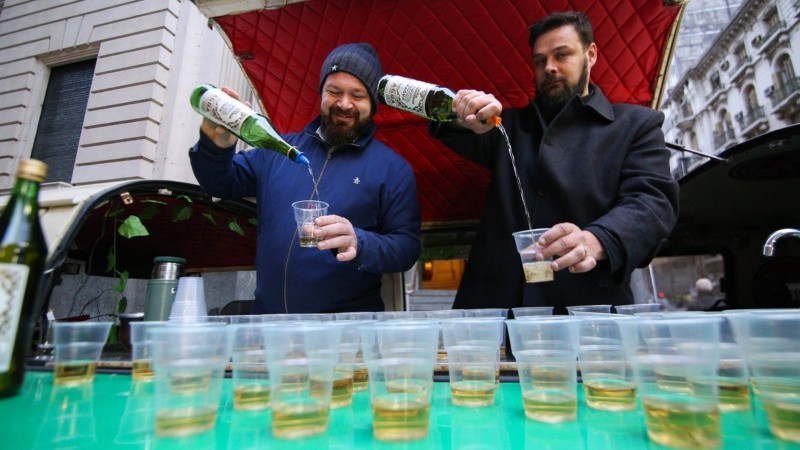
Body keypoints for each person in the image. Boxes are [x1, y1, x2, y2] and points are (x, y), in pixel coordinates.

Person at [430, 11, 679, 313]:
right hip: (494, 311)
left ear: (591, 54)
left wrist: (597, 239)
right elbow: (448, 127)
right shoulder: (505, 125)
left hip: (586, 312)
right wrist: (466, 113)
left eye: (562, 55)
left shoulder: (635, 125)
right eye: (540, 60)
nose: (549, 67)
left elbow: (652, 202)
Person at [190, 43, 421, 314]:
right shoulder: (277, 149)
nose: (344, 104)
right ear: (321, 93)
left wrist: (359, 242)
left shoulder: (392, 168)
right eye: (334, 91)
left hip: (343, 331)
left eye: (357, 95)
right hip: (270, 322)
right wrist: (217, 144)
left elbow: (406, 247)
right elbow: (220, 183)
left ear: (372, 104)